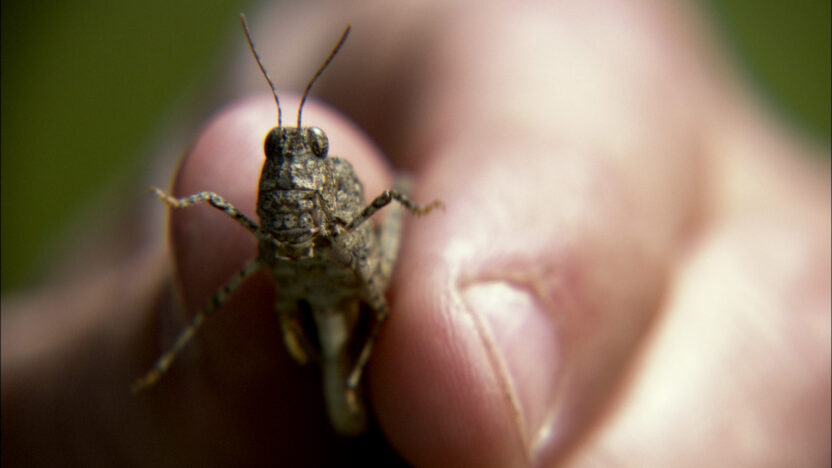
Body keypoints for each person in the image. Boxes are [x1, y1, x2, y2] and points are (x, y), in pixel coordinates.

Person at [3, 1, 829, 466]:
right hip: (287, 293)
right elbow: (234, 222)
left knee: (406, 230)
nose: (288, 156)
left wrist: (411, 215)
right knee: (223, 289)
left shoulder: (332, 180)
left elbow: (379, 211)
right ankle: (175, 360)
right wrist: (181, 205)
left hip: (345, 282)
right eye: (279, 151)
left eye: (299, 148)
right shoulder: (263, 181)